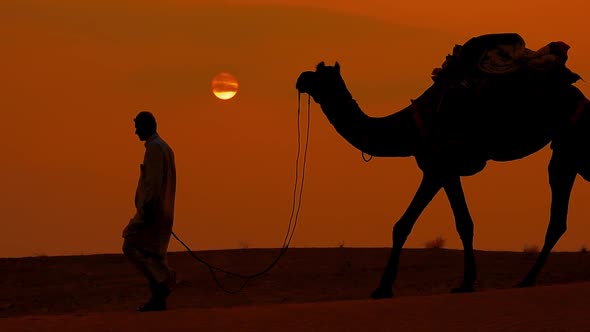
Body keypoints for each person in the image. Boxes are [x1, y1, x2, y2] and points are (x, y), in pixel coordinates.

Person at [122, 111, 177, 312]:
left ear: (147, 126)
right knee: (153, 254)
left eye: (138, 127)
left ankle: (164, 278)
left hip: (153, 212)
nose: (136, 132)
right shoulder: (165, 148)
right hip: (164, 211)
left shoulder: (155, 149)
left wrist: (145, 210)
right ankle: (158, 299)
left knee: (130, 243)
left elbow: (153, 184)